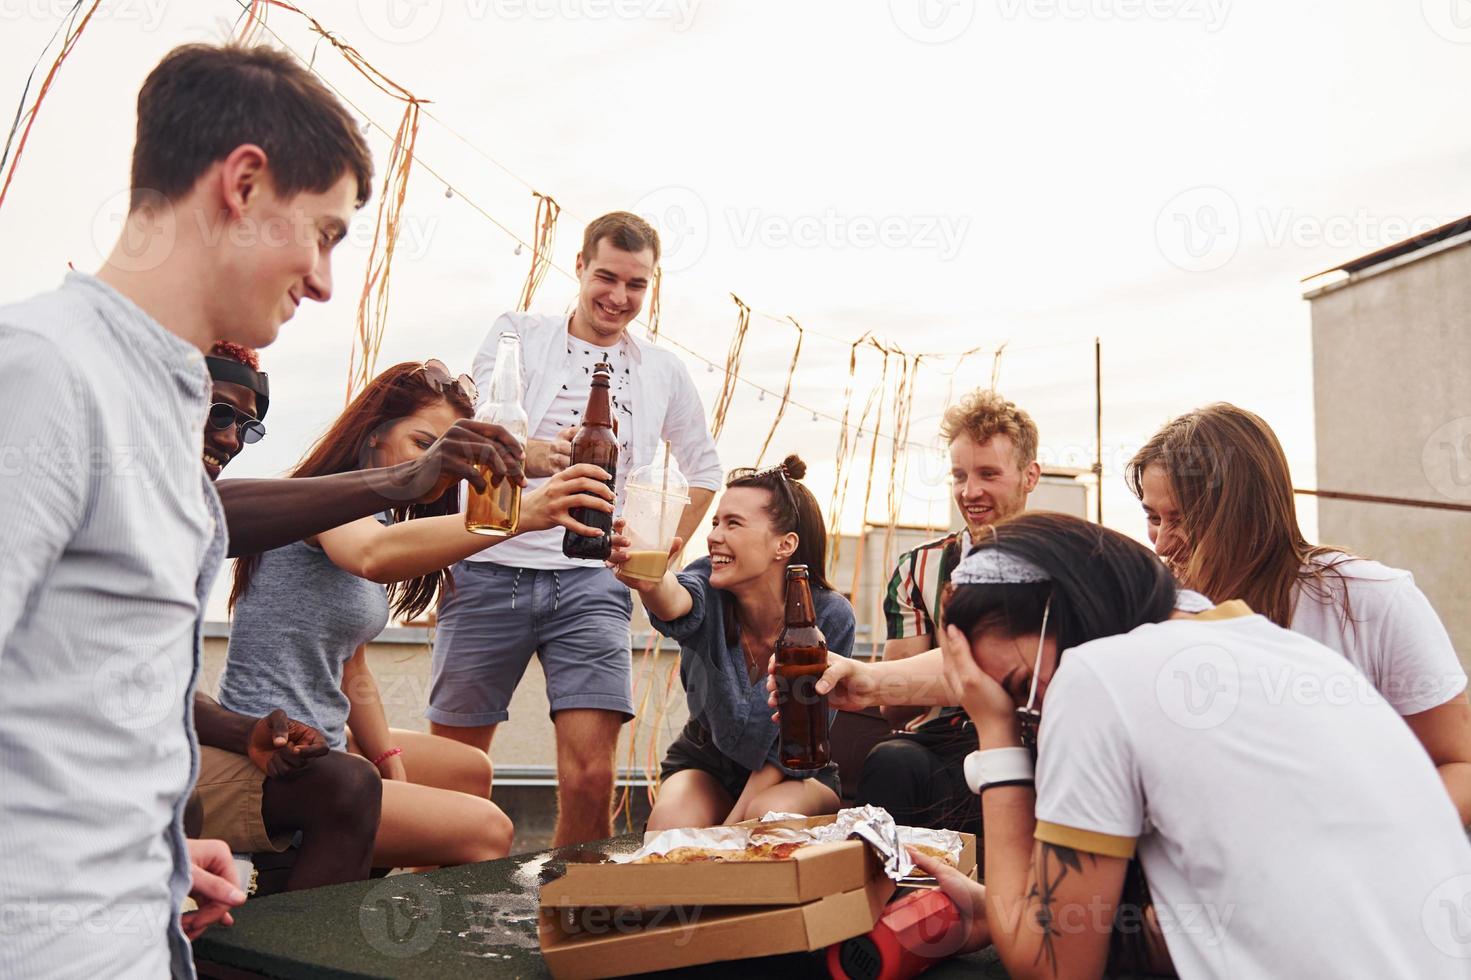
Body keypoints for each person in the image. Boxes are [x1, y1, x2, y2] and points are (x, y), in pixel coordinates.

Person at [0, 42, 377, 976]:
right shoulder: (46, 371)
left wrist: (156, 861)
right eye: (323, 231)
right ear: (244, 183)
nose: (326, 279)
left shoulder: (157, 398)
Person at [778, 513, 1471, 978]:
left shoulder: (1095, 675)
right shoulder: (1278, 649)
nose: (1029, 710)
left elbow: (1050, 968)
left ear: (1059, 611)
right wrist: (999, 909)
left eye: (1017, 687)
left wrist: (994, 736)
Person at [220, 360, 615, 867]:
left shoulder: (375, 515)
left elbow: (353, 670)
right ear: (373, 437)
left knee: (468, 768)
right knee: (489, 831)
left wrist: (389, 765)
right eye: (424, 445)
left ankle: (409, 907)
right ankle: (416, 927)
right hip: (270, 749)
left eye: (450, 455)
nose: (438, 467)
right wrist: (523, 516)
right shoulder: (326, 501)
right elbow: (375, 555)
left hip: (328, 733)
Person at [428, 211, 723, 845]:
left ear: (652, 285)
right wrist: (531, 453)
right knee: (456, 769)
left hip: (592, 581)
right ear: (580, 267)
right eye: (607, 277)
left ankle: (568, 916)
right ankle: (440, 916)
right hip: (489, 566)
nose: (619, 297)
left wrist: (663, 549)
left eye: (637, 285)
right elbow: (474, 430)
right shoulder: (517, 334)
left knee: (591, 776)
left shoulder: (662, 370)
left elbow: (704, 470)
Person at [1127, 402, 1471, 824]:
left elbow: (1458, 766)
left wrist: (1371, 836)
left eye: (1182, 519)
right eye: (1152, 517)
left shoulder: (1370, 597)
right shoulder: (1149, 617)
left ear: (1243, 511)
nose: (1161, 543)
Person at [186, 342, 384, 891]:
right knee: (352, 788)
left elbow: (158, 692)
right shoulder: (140, 503)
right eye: (216, 410)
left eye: (246, 426)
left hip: (155, 746)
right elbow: (374, 553)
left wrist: (247, 731)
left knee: (388, 780)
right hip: (64, 769)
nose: (230, 438)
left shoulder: (180, 523)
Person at [612, 457, 853, 829]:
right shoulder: (707, 583)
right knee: (671, 827)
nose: (713, 536)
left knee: (768, 822)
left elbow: (786, 748)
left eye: (733, 523)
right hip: (705, 761)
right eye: (715, 522)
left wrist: (728, 831)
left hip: (794, 771)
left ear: (784, 544)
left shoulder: (828, 617)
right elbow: (676, 600)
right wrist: (649, 576)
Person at [855, 390, 1040, 834]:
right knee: (892, 762)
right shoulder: (918, 568)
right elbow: (896, 709)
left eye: (988, 474)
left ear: (1029, 476)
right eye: (959, 475)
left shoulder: (1067, 564)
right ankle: (906, 900)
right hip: (940, 743)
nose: (970, 491)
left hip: (1035, 742)